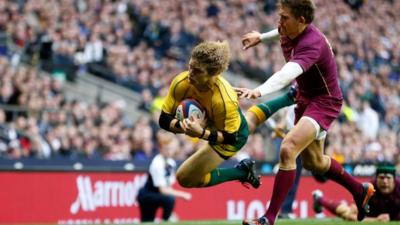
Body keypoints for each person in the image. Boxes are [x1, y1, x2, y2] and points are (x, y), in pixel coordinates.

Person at [235, 1, 375, 224]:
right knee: (314, 163)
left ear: (302, 20)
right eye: (280, 16)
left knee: (288, 147)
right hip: (306, 97)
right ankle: (360, 190)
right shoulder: (289, 29)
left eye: (284, 18)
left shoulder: (312, 44)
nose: (279, 22)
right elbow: (278, 33)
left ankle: (269, 218)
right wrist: (261, 37)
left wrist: (258, 91)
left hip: (324, 101)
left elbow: (286, 74)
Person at [158, 40, 295, 190]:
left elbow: (232, 138)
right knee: (249, 121)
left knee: (185, 178)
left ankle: (240, 172)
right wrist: (182, 126)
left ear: (213, 74)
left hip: (230, 137)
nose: (190, 73)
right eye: (190, 66)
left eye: (197, 71)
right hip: (220, 118)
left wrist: (202, 133)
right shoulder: (181, 82)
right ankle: (289, 97)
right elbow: (163, 119)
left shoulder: (223, 100)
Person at [312, 162, 400, 222]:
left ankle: (319, 199)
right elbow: (351, 215)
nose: (385, 181)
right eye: (381, 177)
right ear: (376, 178)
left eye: (388, 178)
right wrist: (376, 220)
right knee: (346, 213)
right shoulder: (369, 188)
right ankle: (319, 200)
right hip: (370, 215)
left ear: (394, 179)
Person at [137, 131, 192, 222]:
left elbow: (168, 186)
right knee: (169, 200)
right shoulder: (157, 163)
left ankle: (167, 219)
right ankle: (167, 220)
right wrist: (183, 195)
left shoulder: (171, 162)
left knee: (169, 199)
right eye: (168, 149)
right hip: (147, 196)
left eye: (172, 148)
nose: (171, 151)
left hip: (157, 195)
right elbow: (163, 190)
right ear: (161, 148)